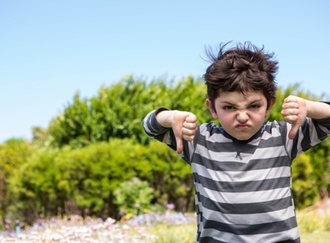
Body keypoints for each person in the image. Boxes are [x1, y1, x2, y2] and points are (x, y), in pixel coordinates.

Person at [142, 42, 330, 243]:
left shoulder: (284, 136)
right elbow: (150, 126)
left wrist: (310, 107)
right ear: (212, 108)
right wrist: (169, 117)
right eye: (229, 107)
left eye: (254, 106)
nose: (242, 116)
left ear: (269, 105)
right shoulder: (198, 140)